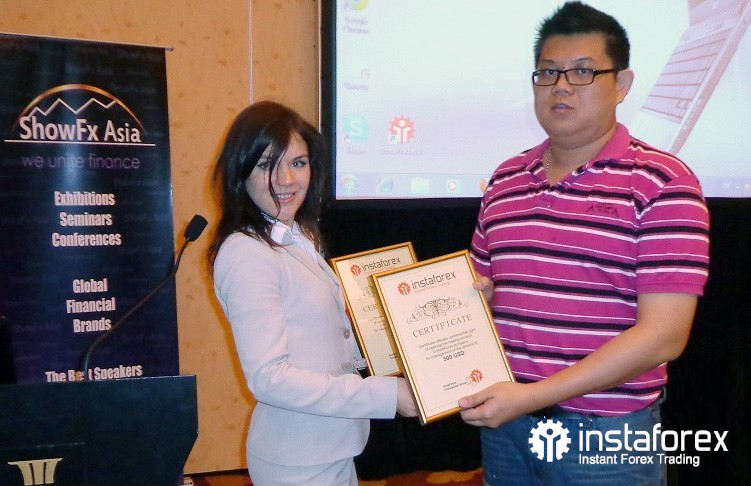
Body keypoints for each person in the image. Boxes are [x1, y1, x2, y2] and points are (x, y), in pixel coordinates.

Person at [458, 2, 710, 485]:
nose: (561, 86)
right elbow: (480, 291)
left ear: (622, 84)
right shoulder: (506, 179)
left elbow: (664, 336)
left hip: (606, 433)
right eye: (548, 72)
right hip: (507, 425)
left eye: (582, 72)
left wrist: (533, 396)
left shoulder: (663, 182)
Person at [209, 101, 417, 486]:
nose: (286, 179)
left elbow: (321, 339)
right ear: (241, 171)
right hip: (297, 458)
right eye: (267, 165)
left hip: (329, 446)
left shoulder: (295, 236)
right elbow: (269, 377)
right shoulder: (247, 253)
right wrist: (386, 395)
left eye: (298, 163)